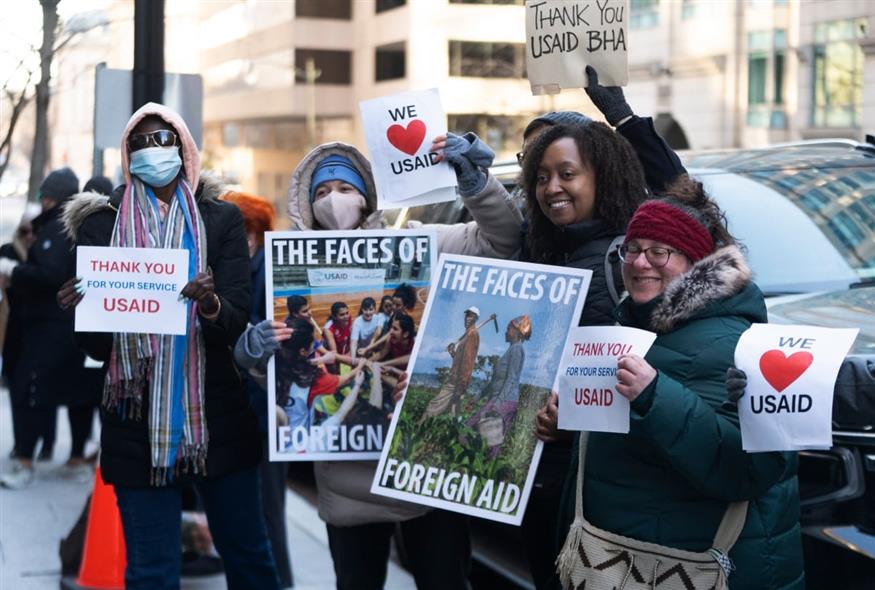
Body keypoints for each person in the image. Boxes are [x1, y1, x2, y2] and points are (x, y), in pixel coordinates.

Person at [237, 139, 524, 589]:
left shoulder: (416, 245)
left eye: (345, 188)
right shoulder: (291, 269)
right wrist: (254, 357)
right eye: (322, 191)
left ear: (368, 198)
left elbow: (503, 240)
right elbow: (288, 373)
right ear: (307, 205)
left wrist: (476, 183)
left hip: (425, 475)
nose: (334, 200)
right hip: (348, 488)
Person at [60, 103, 280, 589]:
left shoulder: (221, 220)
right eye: (140, 143)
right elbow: (96, 347)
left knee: (250, 559)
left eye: (163, 140)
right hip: (135, 423)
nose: (152, 151)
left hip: (217, 415)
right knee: (152, 572)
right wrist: (80, 306)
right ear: (126, 154)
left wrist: (210, 304)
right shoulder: (101, 227)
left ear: (184, 149)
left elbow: (236, 319)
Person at [554, 176, 803, 589]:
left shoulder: (732, 344)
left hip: (686, 568)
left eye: (659, 252)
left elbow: (747, 470)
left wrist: (655, 395)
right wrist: (568, 424)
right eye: (631, 249)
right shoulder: (630, 324)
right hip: (620, 562)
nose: (638, 263)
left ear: (695, 264)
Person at [0, 167, 99, 489]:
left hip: (50, 328)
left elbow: (50, 275)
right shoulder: (69, 227)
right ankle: (72, 458)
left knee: (28, 390)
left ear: (52, 198)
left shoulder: (57, 230)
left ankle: (26, 460)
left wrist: (15, 272)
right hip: (65, 326)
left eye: (45, 196)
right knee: (76, 393)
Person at [220, 190, 295, 590]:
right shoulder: (240, 269)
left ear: (253, 234)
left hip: (265, 415)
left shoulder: (266, 272)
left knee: (266, 514)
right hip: (247, 412)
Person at [467, 315, 531, 454]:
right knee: (492, 442)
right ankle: (485, 468)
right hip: (502, 399)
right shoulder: (512, 349)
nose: (506, 331)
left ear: (516, 331)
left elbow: (511, 379)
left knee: (471, 429)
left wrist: (498, 403)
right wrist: (476, 398)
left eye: (508, 328)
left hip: (505, 400)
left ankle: (479, 467)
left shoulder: (517, 349)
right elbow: (494, 382)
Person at [422, 306, 482, 419]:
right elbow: (460, 360)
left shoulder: (472, 335)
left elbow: (467, 363)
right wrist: (452, 352)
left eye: (471, 316)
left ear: (476, 319)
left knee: (432, 407)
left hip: (456, 382)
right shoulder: (467, 335)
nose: (467, 318)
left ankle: (417, 428)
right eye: (467, 315)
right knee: (453, 415)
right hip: (456, 380)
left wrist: (461, 386)